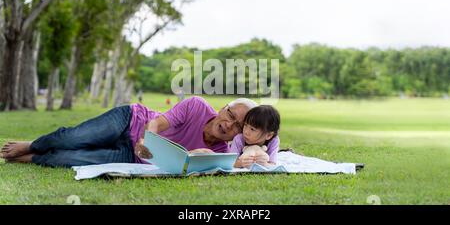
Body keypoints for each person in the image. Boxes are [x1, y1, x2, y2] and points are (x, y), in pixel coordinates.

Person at [0, 96, 258, 168]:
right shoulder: (197, 106)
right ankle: (33, 144)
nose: (228, 125)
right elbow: (158, 123)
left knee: (74, 159)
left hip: (132, 156)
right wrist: (148, 140)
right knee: (75, 137)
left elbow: (187, 165)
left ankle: (33, 157)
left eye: (237, 126)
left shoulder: (220, 150)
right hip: (130, 120)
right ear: (224, 108)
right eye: (230, 115)